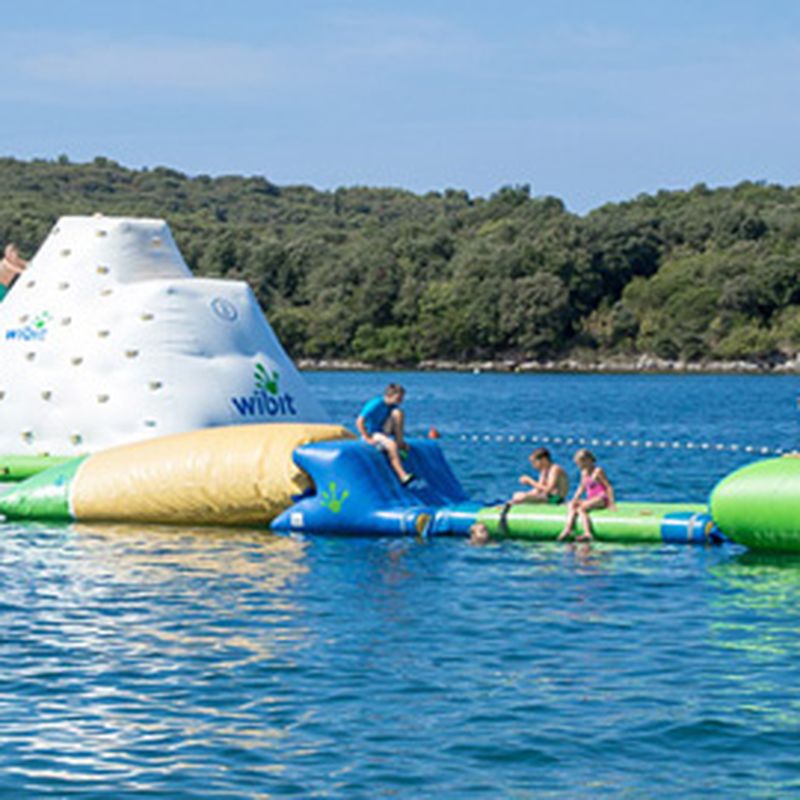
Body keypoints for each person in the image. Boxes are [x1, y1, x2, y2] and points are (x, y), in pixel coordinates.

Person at [356, 383, 415, 485]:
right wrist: (367, 438)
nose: (401, 400)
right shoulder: (375, 404)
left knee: (398, 413)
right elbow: (359, 421)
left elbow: (393, 420)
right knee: (391, 445)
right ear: (390, 395)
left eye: (402, 398)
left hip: (383, 431)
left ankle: (399, 443)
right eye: (399, 398)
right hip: (372, 433)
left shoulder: (392, 406)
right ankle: (402, 475)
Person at [557, 449, 616, 542]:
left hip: (601, 498)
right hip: (591, 499)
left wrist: (611, 503)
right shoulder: (584, 473)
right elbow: (581, 487)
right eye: (577, 464)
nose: (579, 466)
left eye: (579, 463)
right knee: (572, 505)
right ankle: (568, 529)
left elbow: (608, 487)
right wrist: (574, 499)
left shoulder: (598, 471)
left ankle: (588, 533)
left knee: (581, 508)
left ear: (588, 461)